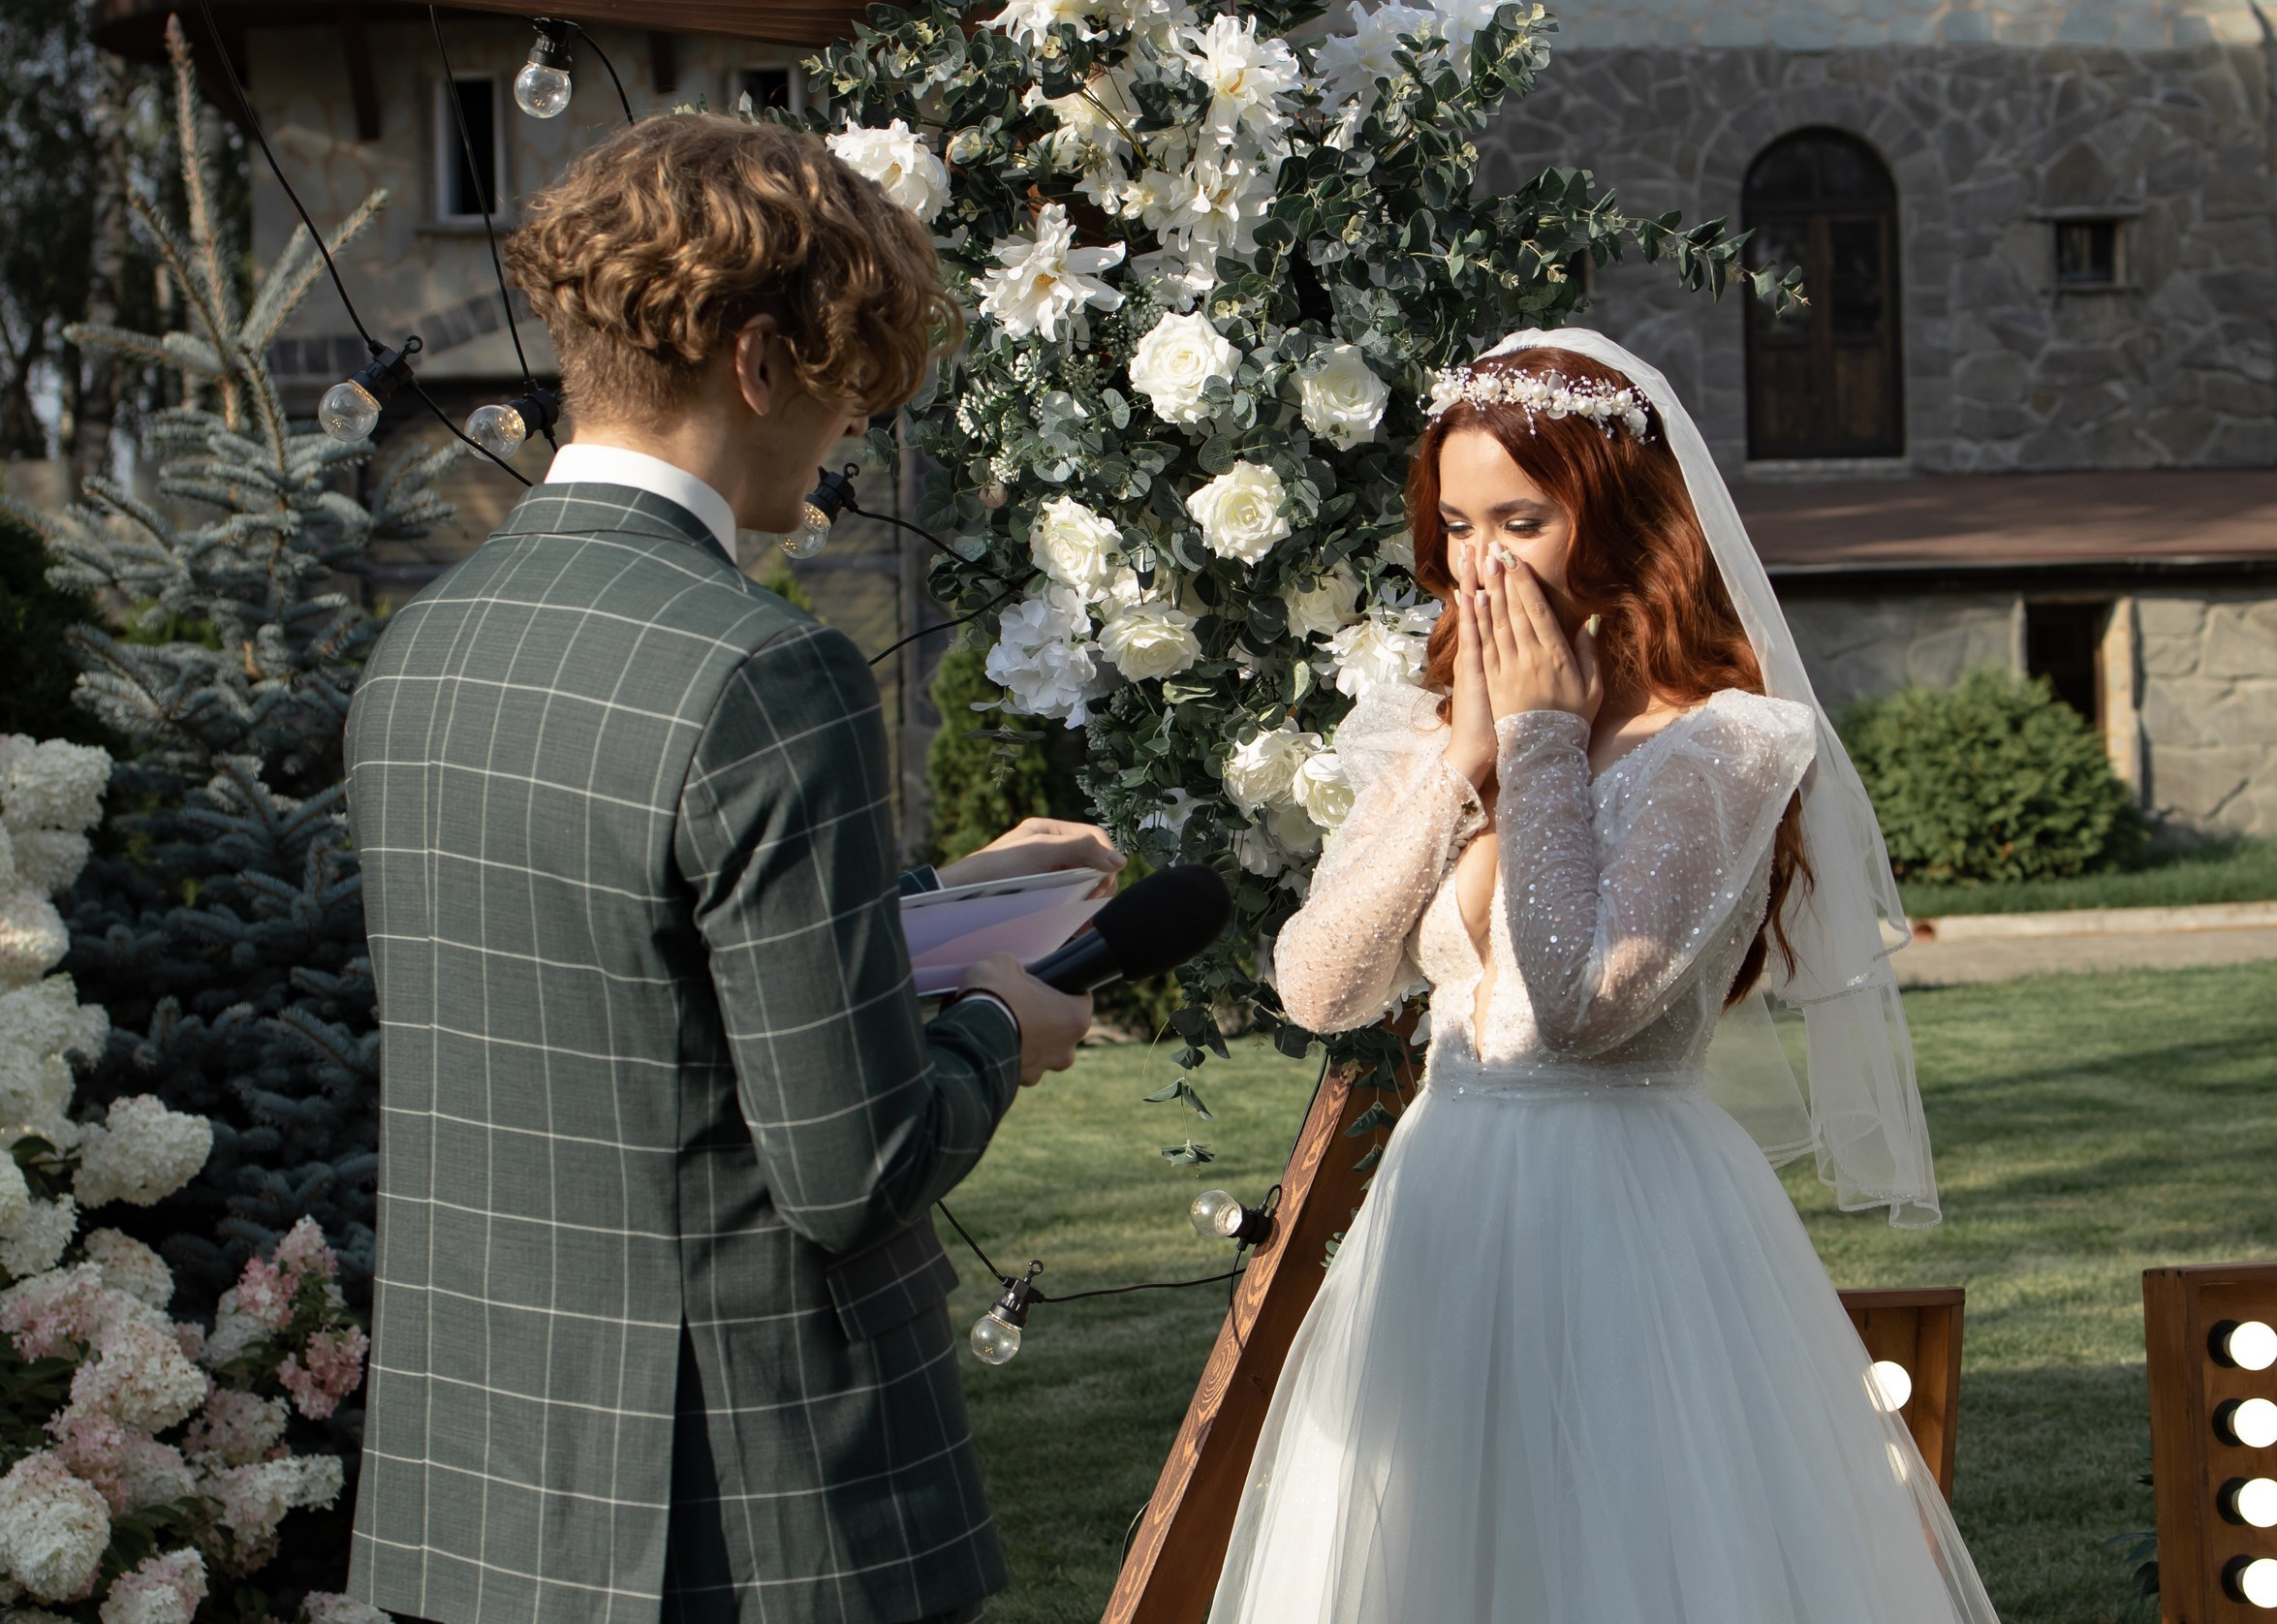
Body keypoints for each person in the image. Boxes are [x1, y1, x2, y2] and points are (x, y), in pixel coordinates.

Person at [342, 114, 1111, 1624]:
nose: (847, 438)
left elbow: (635, 988)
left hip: (478, 1488)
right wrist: (996, 1028)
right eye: (846, 391)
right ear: (760, 363)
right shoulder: (765, 671)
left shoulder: (421, 649)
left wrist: (938, 904)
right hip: (744, 1507)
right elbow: (850, 1168)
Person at [1208, 328, 1999, 1623]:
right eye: (1457, 525)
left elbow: (1570, 1010)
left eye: (1519, 518)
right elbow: (1317, 987)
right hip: (1442, 1209)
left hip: (1627, 1224)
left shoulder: (1728, 746)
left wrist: (1537, 744)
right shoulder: (1439, 729)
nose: (1481, 564)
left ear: (1618, 514)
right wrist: (1460, 767)